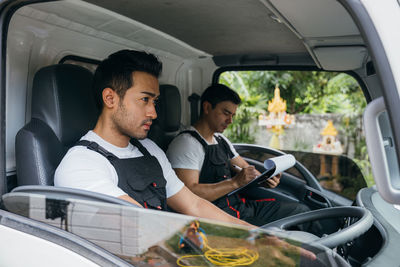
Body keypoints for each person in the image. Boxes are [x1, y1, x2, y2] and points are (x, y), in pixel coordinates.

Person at [54, 50, 251, 227]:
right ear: (110, 99)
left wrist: (254, 233)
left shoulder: (149, 149)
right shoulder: (81, 163)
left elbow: (195, 205)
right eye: (145, 100)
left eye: (154, 101)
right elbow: (139, 224)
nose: (153, 113)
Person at [166, 84, 311, 226]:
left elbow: (247, 170)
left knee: (302, 211)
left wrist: (265, 179)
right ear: (207, 108)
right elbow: (189, 194)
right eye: (226, 113)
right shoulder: (186, 143)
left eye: (233, 115)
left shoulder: (221, 140)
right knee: (285, 227)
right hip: (216, 218)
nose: (230, 121)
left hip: (241, 209)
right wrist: (234, 183)